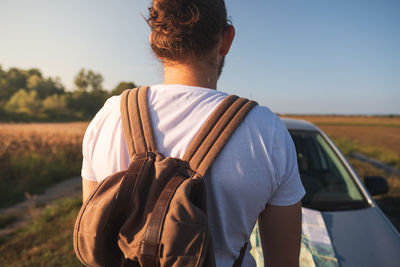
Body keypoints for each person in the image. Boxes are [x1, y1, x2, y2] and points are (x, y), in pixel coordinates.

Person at [81, 0, 305, 266]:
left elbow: (96, 234)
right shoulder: (267, 132)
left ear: (155, 41)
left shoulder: (108, 116)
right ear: (227, 39)